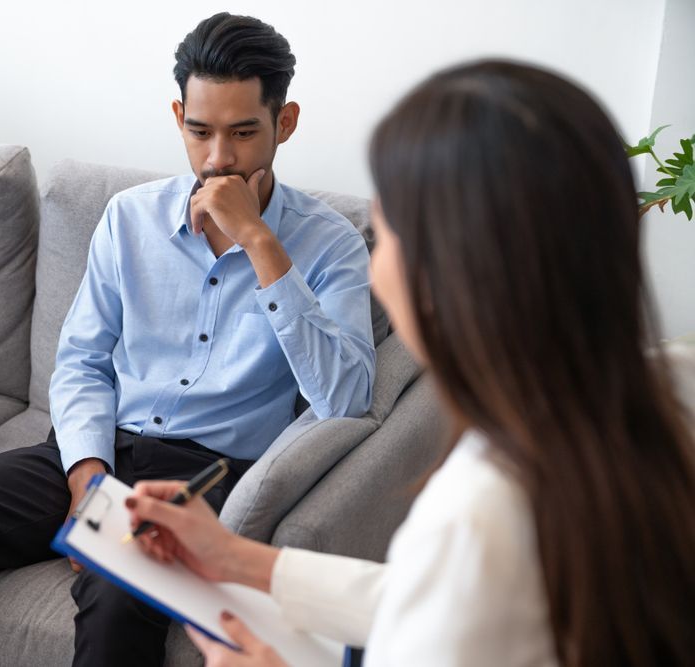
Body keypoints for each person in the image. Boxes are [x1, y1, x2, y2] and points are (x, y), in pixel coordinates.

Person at [125, 60, 695, 666]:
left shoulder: (479, 507)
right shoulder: (672, 386)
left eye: (389, 232)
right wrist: (235, 557)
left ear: (451, 272)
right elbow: (437, 600)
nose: (376, 266)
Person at [0, 12, 377, 667]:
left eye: (244, 132)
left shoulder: (332, 244)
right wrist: (86, 472)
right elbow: (80, 360)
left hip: (203, 475)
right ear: (177, 116)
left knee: (119, 593)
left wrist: (262, 244)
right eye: (200, 131)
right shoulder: (129, 218)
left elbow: (347, 399)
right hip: (93, 447)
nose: (218, 157)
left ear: (286, 122)